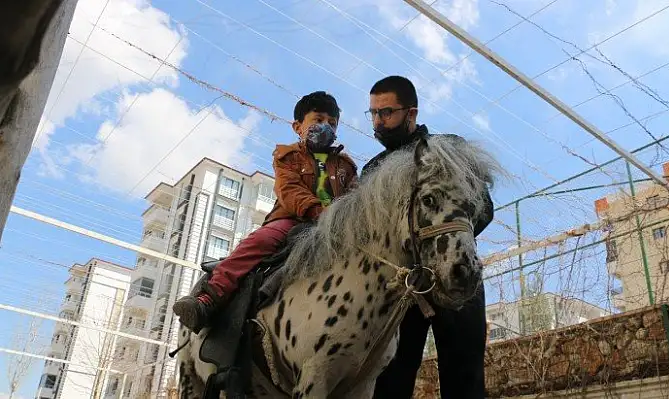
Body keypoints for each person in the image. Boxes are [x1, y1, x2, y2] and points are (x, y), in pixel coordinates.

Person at [173, 91, 358, 333]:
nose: (326, 127)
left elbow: (355, 195)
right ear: (297, 126)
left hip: (337, 225)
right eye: (318, 120)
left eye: (332, 123)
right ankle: (210, 297)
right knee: (259, 241)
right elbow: (289, 190)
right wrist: (318, 211)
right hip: (293, 219)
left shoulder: (345, 165)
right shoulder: (287, 156)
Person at [364, 76, 494, 399]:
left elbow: (484, 207)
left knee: (465, 380)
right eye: (374, 114)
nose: (379, 122)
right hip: (400, 289)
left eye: (387, 113)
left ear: (411, 113)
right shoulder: (373, 171)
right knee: (390, 380)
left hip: (456, 273)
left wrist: (443, 244)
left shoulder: (450, 150)